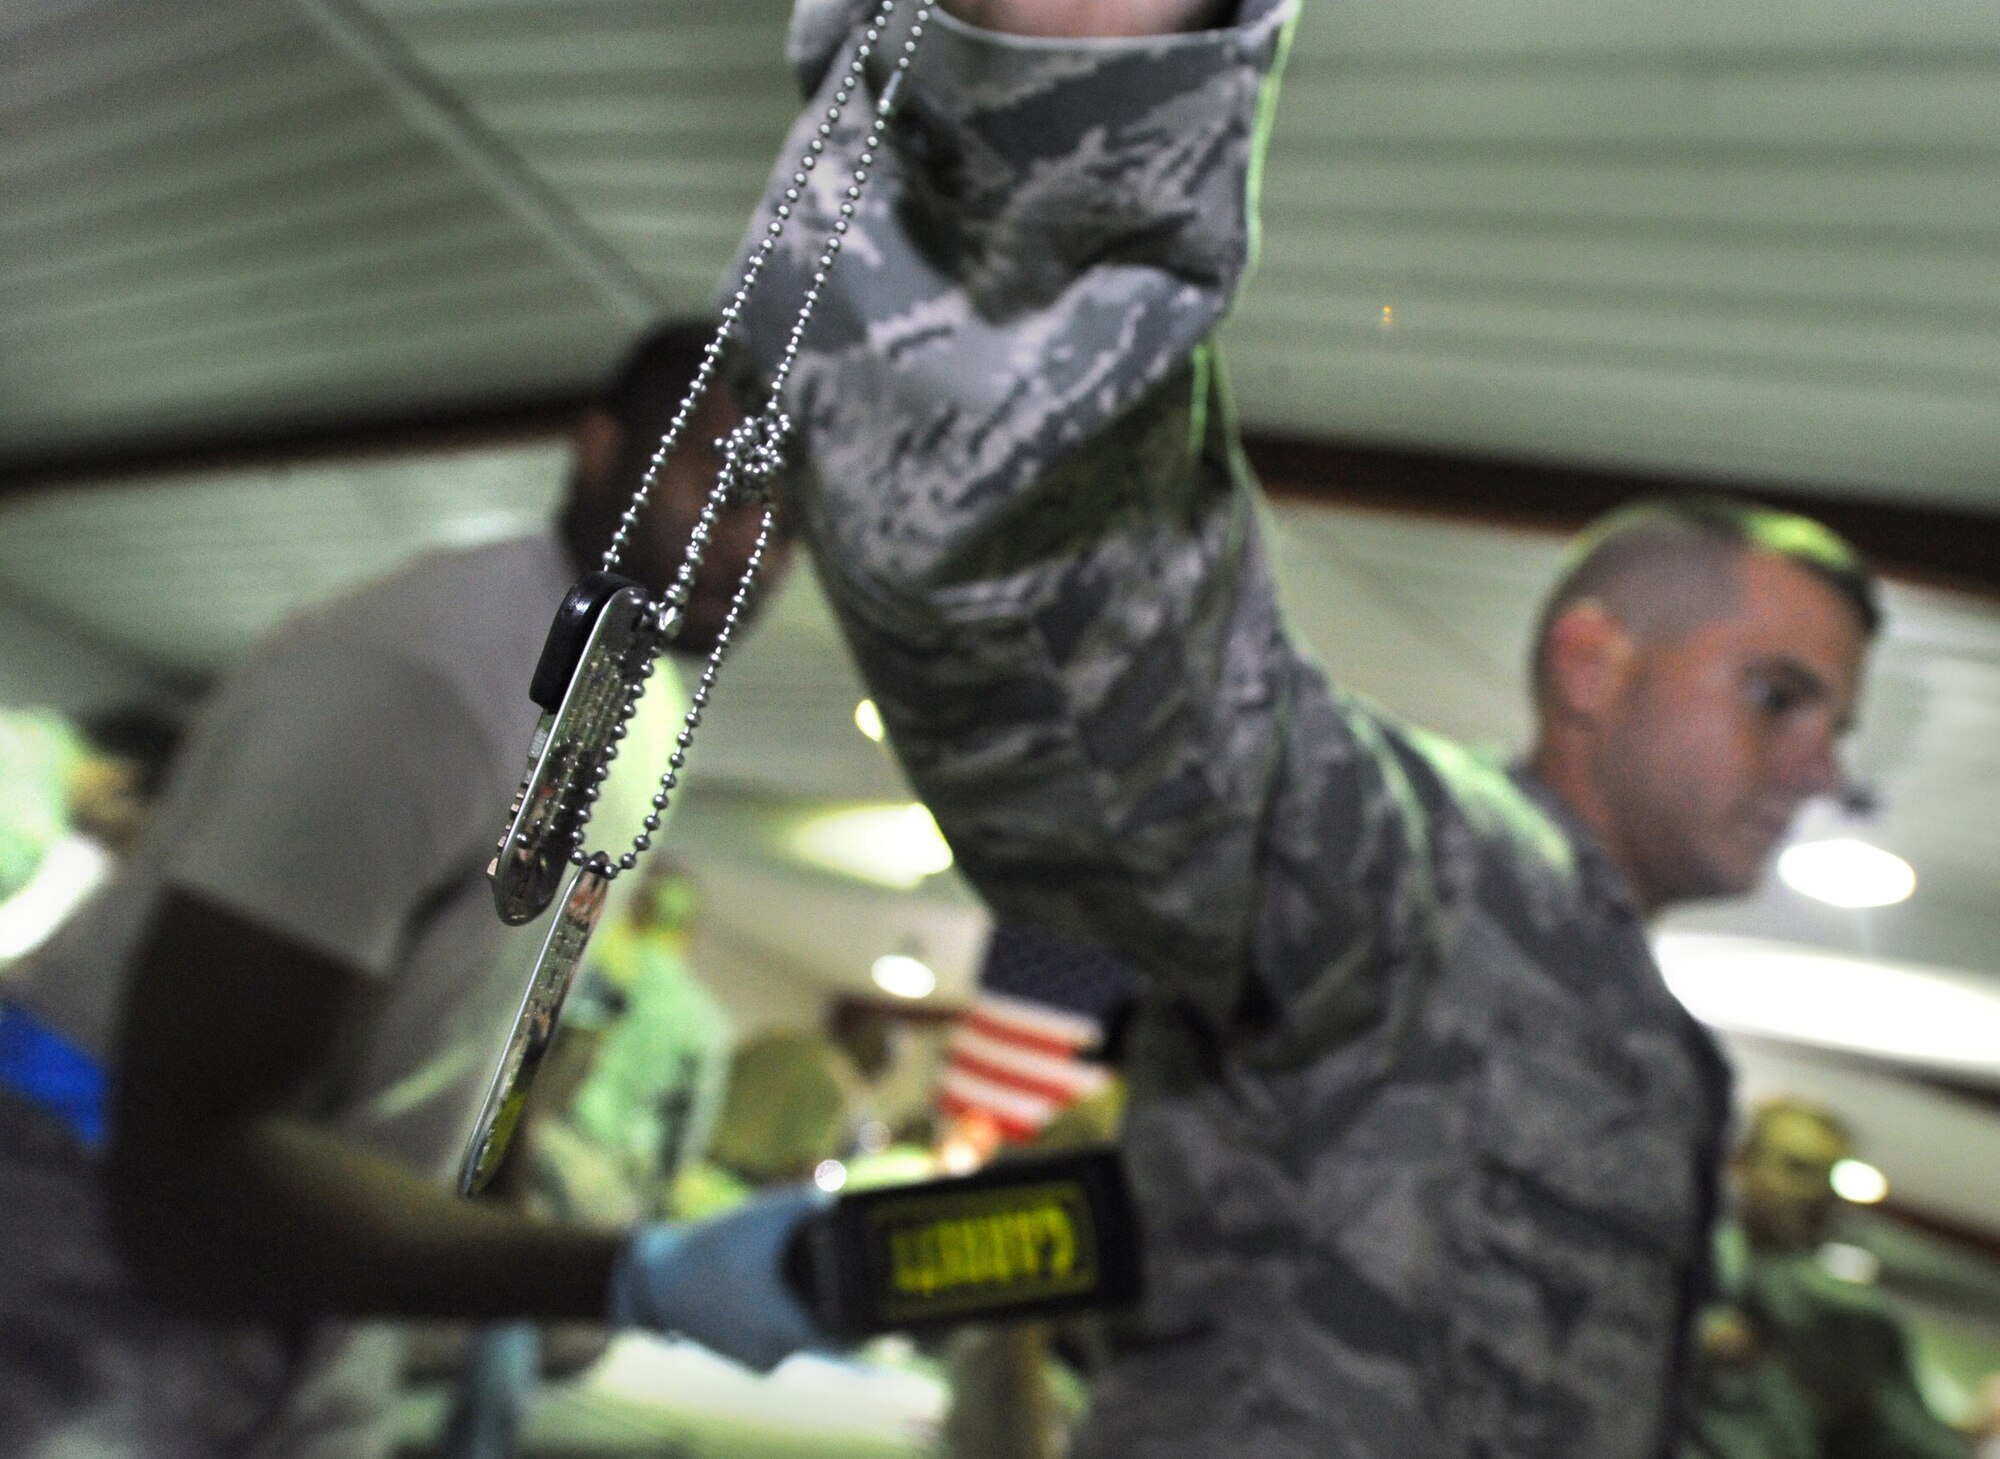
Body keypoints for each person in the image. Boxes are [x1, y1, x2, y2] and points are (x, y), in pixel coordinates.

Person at [733, 2, 1880, 1454]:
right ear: (1594, 662)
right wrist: (1065, 89)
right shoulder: (1432, 871)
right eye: (1781, 694)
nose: (1825, 767)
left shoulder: (1650, 1039)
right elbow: (1077, 657)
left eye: (1835, 724)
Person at [0, 320, 827, 1458]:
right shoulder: (430, 677)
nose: (758, 545)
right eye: (722, 486)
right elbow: (188, 1168)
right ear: (597, 450)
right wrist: (623, 1278)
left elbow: (493, 1017)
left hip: (309, 1258)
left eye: (787, 514)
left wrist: (502, 1202)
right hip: (85, 1224)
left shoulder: (634, 715)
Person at [1682, 1100, 1967, 1459]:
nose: (1813, 1192)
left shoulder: (1849, 1320)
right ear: (1740, 1163)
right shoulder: (1677, 1268)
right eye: (1796, 1167)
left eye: (1827, 1178)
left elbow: (1912, 1441)